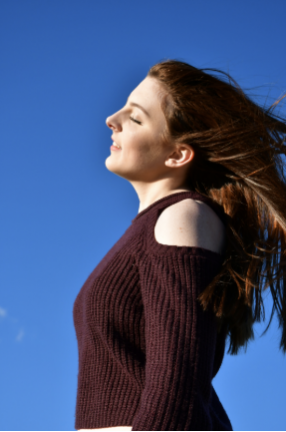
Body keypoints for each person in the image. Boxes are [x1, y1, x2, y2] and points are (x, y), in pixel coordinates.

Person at [73, 60, 286, 431]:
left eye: (135, 118)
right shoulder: (152, 226)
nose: (112, 118)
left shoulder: (183, 214)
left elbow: (178, 384)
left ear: (177, 154)